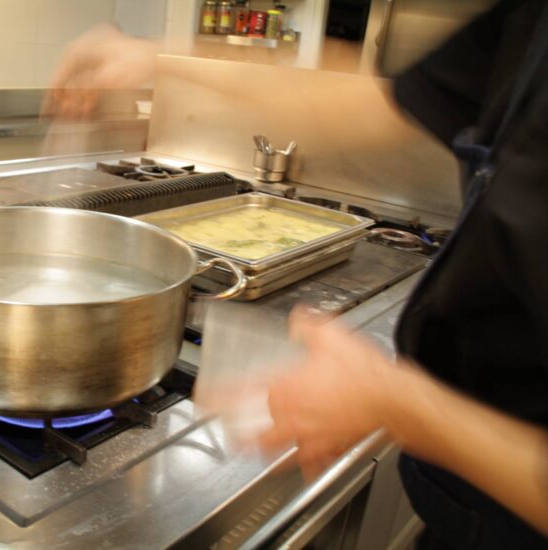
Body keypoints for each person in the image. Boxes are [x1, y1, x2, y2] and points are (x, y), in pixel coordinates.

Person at [45, 1, 548, 547]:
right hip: (462, 502)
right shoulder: (529, 20)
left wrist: (404, 404)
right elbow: (382, 106)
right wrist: (159, 60)